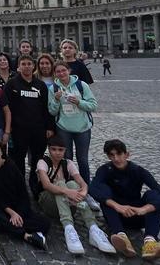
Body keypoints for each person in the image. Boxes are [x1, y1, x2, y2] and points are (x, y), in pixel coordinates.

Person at [89, 139, 160, 260]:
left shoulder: (139, 171)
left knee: (153, 196)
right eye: (112, 155)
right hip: (116, 216)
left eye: (119, 154)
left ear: (127, 154)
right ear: (108, 156)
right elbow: (93, 188)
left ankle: (150, 243)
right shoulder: (105, 170)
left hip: (137, 214)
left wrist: (144, 209)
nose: (116, 159)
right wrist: (116, 206)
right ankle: (122, 238)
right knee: (105, 195)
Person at [36, 137, 115, 255]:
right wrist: (68, 193)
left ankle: (93, 228)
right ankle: (68, 227)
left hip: (69, 204)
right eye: (54, 149)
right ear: (49, 149)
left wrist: (81, 194)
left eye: (60, 150)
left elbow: (83, 184)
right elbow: (47, 185)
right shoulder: (43, 162)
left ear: (65, 150)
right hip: (48, 202)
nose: (57, 153)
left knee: (72, 183)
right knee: (61, 183)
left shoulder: (68, 163)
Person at [0, 139, 49, 249]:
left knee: (45, 223)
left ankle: (1, 226)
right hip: (2, 207)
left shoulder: (11, 166)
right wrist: (11, 213)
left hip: (18, 205)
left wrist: (18, 214)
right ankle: (25, 235)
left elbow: (23, 193)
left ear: (2, 152)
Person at [48, 61, 100, 211]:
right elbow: (52, 111)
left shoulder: (81, 85)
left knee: (83, 160)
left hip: (83, 127)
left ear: (68, 70)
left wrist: (79, 102)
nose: (61, 74)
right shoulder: (54, 88)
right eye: (58, 72)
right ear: (55, 74)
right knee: (67, 160)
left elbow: (93, 105)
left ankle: (87, 192)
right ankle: (72, 192)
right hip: (64, 128)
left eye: (63, 70)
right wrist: (57, 100)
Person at [3, 55, 54, 194]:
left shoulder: (40, 85)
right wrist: (8, 127)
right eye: (23, 64)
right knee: (16, 159)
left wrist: (49, 127)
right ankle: (19, 187)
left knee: (37, 159)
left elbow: (46, 107)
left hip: (38, 129)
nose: (26, 66)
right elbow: (6, 107)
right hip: (18, 130)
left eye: (29, 64)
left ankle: (34, 184)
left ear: (33, 66)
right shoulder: (11, 84)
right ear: (19, 67)